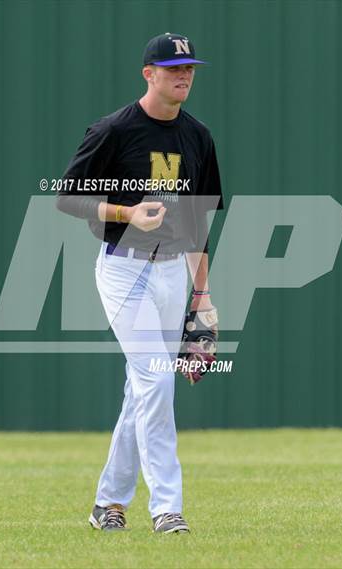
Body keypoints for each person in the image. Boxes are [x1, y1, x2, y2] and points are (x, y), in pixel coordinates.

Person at [57, 32, 223, 533]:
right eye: (173, 67)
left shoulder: (198, 136)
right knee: (155, 377)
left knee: (141, 388)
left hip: (175, 270)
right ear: (148, 73)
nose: (184, 75)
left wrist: (204, 297)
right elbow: (67, 197)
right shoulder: (113, 130)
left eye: (189, 67)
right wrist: (127, 211)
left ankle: (108, 502)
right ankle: (166, 508)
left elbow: (198, 223)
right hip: (124, 266)